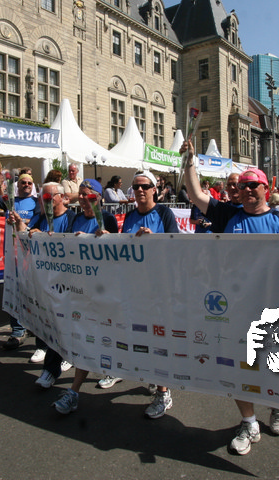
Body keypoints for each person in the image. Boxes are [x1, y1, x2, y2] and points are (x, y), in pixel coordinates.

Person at [180, 139, 279, 454]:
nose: (248, 190)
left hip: (276, 308)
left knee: (276, 365)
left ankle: (278, 407)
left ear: (266, 189)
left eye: (254, 186)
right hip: (235, 307)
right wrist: (190, 160)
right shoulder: (227, 214)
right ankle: (249, 422)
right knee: (238, 367)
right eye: (243, 186)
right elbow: (195, 194)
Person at [97, 170, 179, 418]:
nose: (140, 190)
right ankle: (152, 378)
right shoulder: (131, 215)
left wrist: (156, 240)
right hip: (135, 287)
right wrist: (109, 239)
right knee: (140, 338)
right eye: (136, 187)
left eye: (144, 186)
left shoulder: (164, 213)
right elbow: (126, 246)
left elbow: (176, 245)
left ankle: (164, 393)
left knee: (159, 340)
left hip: (159, 288)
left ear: (154, 189)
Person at [51, 179, 120, 415]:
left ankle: (119, 371)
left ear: (98, 197)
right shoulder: (75, 218)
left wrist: (105, 238)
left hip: (103, 289)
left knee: (108, 335)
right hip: (80, 288)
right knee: (87, 338)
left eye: (87, 195)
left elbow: (116, 253)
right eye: (80, 194)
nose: (82, 198)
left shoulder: (108, 218)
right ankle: (74, 392)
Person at [15, 182, 77, 386]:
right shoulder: (40, 217)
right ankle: (50, 366)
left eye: (49, 197)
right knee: (51, 323)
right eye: (42, 197)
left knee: (66, 324)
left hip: (67, 281)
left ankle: (62, 361)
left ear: (62, 198)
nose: (45, 201)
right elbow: (25, 233)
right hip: (44, 280)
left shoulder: (71, 218)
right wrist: (21, 226)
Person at [0, 166, 39, 350]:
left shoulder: (37, 203)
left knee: (32, 291)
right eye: (23, 182)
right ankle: (17, 331)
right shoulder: (10, 200)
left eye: (29, 183)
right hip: (12, 253)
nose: (26, 185)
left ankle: (34, 326)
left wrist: (21, 221)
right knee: (15, 290)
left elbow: (39, 222)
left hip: (30, 254)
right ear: (18, 185)